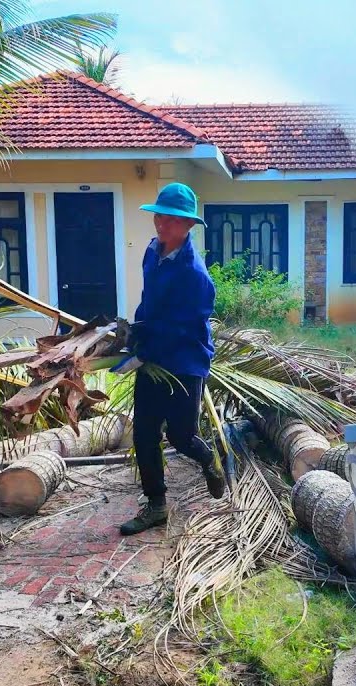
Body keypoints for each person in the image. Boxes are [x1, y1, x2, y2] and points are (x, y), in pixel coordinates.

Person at [117, 182, 225, 536]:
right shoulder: (152, 251)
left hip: (184, 362)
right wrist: (134, 332)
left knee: (181, 437)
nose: (162, 224)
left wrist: (145, 351)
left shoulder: (196, 278)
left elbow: (183, 330)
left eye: (172, 219)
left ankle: (208, 459)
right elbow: (149, 302)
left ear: (188, 225)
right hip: (152, 355)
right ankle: (157, 505)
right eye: (159, 216)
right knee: (144, 435)